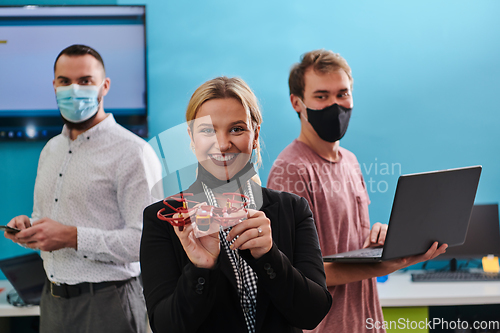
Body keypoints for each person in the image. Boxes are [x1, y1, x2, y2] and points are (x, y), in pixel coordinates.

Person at [267, 49, 448, 332]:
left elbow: (343, 242)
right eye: (321, 96)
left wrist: (378, 242)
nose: (335, 105)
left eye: (343, 94)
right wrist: (384, 266)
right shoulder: (289, 170)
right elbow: (294, 276)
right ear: (297, 103)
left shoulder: (350, 161)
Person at [140, 76, 332, 333]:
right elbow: (165, 326)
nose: (222, 144)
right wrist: (201, 270)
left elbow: (312, 313)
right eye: (207, 130)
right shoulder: (164, 219)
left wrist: (269, 256)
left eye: (237, 129)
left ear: (255, 135)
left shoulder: (293, 210)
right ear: (191, 137)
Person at [3, 44, 162, 333]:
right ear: (54, 85)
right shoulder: (51, 150)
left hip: (108, 304)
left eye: (85, 81)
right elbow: (43, 216)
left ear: (105, 86)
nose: (74, 89)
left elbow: (145, 243)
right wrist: (30, 229)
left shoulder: (133, 153)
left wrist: (72, 237)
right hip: (52, 303)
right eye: (65, 81)